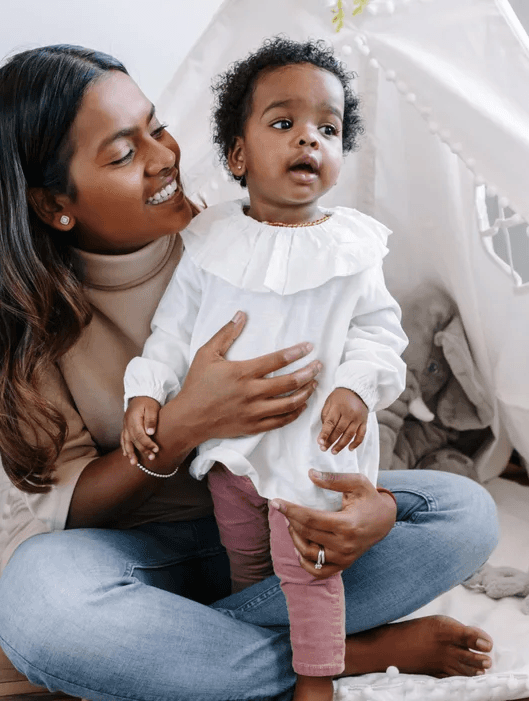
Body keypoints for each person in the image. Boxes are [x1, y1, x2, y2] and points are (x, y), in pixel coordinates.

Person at [0, 43, 500, 701]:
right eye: (122, 152)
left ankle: (228, 649)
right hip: (137, 554)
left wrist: (369, 508)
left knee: (465, 512)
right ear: (56, 204)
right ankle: (335, 651)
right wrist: (189, 419)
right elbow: (68, 511)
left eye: (154, 126)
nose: (164, 155)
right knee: (43, 608)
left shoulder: (237, 239)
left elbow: (349, 366)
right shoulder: (21, 320)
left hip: (285, 516)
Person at [119, 37, 406, 700]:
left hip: (313, 455)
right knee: (246, 561)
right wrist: (144, 392)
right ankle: (260, 643)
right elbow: (170, 334)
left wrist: (356, 388)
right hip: (231, 458)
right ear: (238, 155)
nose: (308, 139)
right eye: (283, 124)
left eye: (326, 129)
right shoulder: (211, 242)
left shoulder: (353, 248)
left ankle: (316, 676)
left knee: (309, 569)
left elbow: (378, 333)